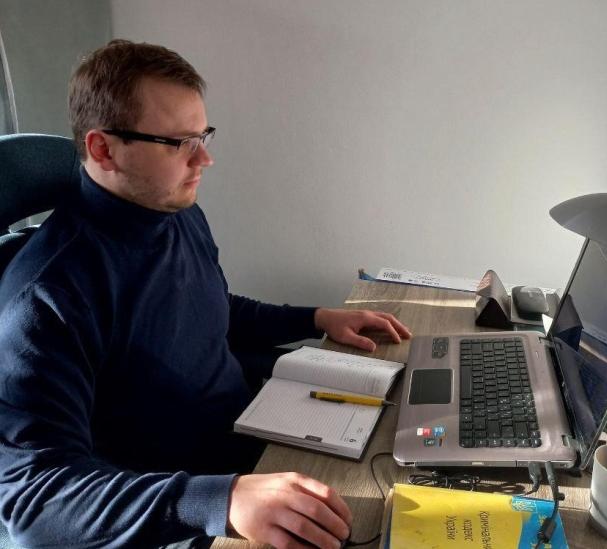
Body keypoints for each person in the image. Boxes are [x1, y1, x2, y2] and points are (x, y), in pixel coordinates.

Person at [0, 40, 411, 549]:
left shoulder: (175, 212)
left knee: (411, 450)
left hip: (252, 437)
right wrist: (222, 500)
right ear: (103, 148)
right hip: (178, 507)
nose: (204, 159)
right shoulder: (45, 299)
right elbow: (35, 503)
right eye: (178, 143)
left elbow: (210, 309)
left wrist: (316, 318)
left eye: (202, 136)